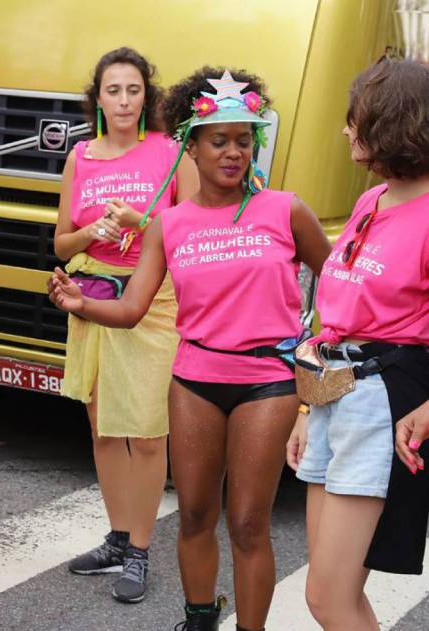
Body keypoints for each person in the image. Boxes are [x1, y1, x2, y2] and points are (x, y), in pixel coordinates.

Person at [49, 68, 331, 631]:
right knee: (196, 515)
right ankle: (199, 619)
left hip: (267, 383)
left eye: (243, 140)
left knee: (248, 522)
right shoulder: (169, 224)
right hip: (195, 378)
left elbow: (337, 283)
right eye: (219, 141)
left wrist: (318, 342)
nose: (232, 153)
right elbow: (131, 310)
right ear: (192, 148)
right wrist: (81, 304)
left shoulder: (286, 209)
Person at [287, 60, 429, 631]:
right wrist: (305, 408)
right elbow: (334, 322)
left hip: (381, 402)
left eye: (357, 119)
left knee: (328, 597)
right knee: (329, 596)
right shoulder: (373, 200)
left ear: (393, 124)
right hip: (335, 393)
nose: (347, 131)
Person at [56, 47, 196, 604]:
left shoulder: (169, 150)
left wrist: (145, 223)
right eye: (112, 91)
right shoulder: (80, 157)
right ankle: (116, 537)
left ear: (147, 96)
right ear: (98, 97)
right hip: (92, 296)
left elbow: (196, 221)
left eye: (133, 90)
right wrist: (93, 232)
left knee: (146, 428)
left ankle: (139, 550)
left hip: (153, 299)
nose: (123, 101)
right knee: (103, 425)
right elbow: (62, 243)